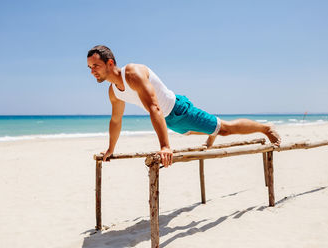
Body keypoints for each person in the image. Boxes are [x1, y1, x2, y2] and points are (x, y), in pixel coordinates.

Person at [87, 45, 281, 168]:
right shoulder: (113, 91)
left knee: (225, 130)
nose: (92, 71)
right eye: (90, 68)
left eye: (95, 66)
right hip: (170, 122)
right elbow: (116, 120)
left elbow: (154, 107)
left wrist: (165, 147)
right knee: (194, 132)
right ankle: (210, 132)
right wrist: (110, 148)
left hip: (179, 111)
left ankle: (266, 128)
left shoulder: (132, 73)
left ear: (110, 62)